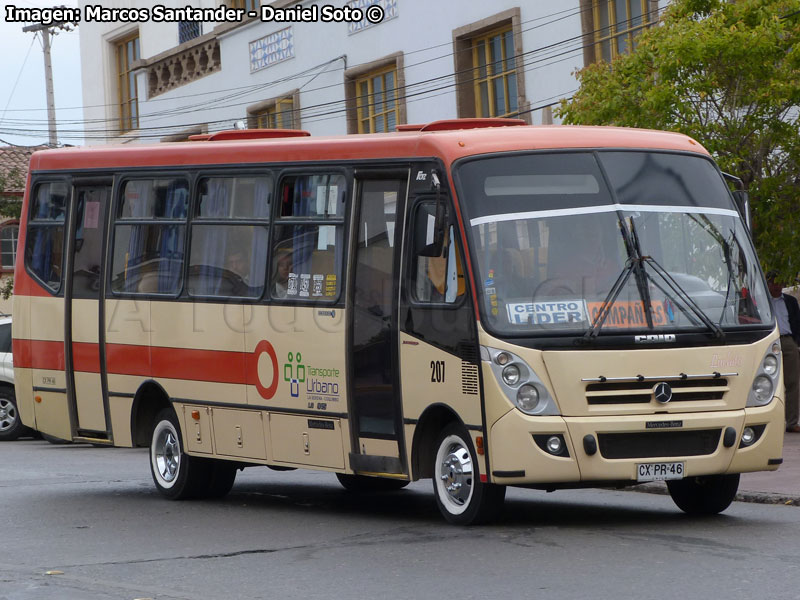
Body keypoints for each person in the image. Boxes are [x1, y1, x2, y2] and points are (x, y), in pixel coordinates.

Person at [766, 271, 800, 433]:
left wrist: (796, 343)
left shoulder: (791, 301)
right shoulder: (762, 302)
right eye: (774, 283)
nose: (778, 286)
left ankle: (792, 422)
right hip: (768, 342)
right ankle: (769, 422)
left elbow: (797, 322)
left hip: (788, 341)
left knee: (793, 382)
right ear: (768, 284)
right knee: (767, 383)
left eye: (780, 283)